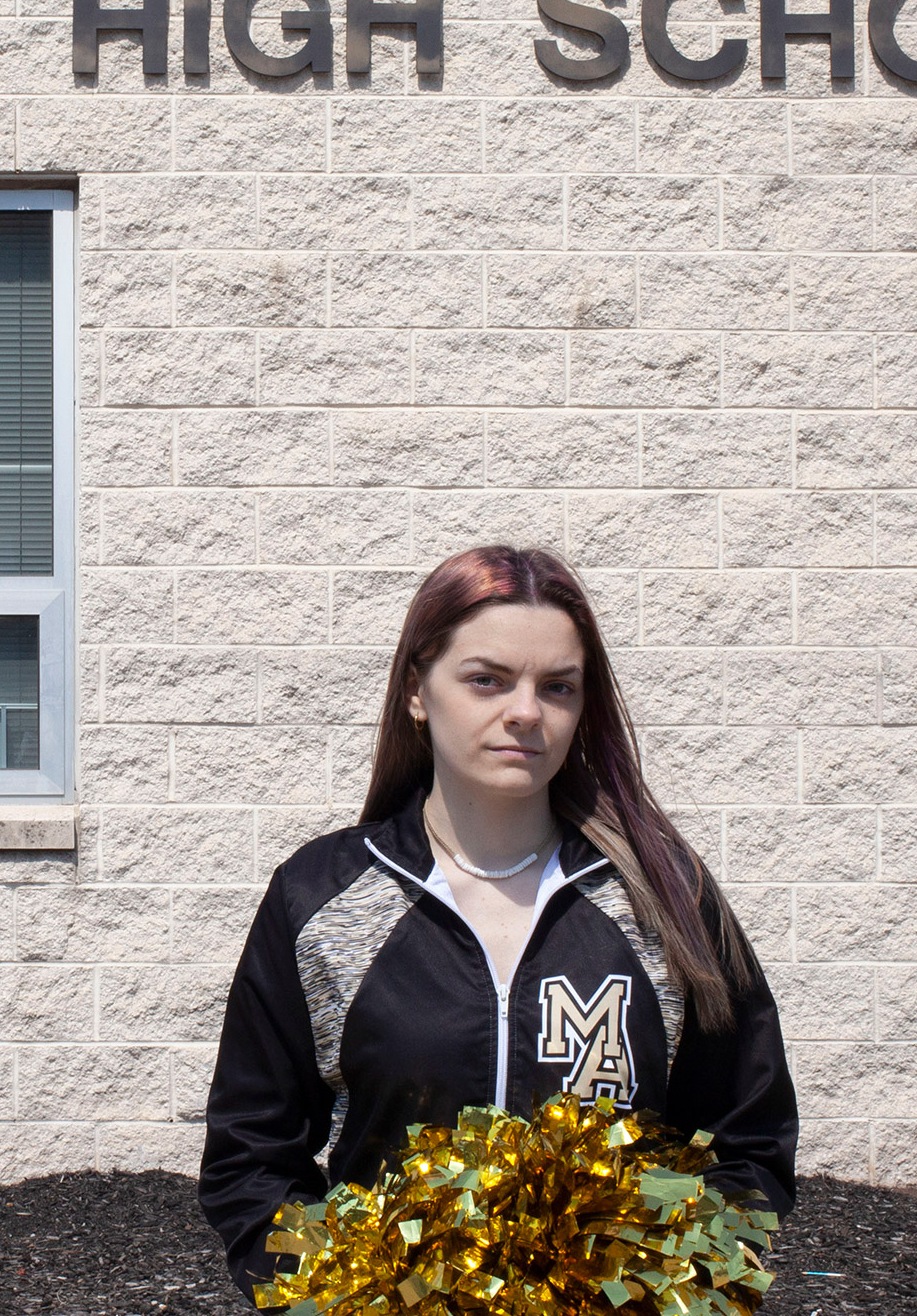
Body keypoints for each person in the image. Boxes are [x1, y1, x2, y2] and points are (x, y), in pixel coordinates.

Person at [196, 545, 798, 1302]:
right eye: (486, 680)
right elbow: (250, 1156)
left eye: (558, 687)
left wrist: (668, 1289)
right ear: (418, 689)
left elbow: (748, 1143)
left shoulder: (668, 898)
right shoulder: (319, 897)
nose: (525, 712)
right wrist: (341, 1296)